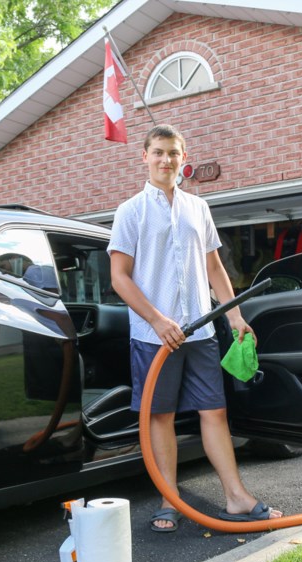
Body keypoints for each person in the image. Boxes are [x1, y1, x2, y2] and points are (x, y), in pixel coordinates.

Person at [107, 124, 283, 533]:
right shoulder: (130, 211)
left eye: (173, 153)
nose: (166, 160)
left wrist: (234, 316)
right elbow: (119, 277)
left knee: (215, 411)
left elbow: (213, 267)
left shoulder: (197, 208)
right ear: (144, 157)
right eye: (158, 152)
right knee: (160, 417)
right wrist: (156, 318)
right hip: (155, 336)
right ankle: (169, 501)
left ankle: (237, 497)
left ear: (183, 159)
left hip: (201, 331)